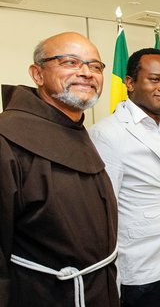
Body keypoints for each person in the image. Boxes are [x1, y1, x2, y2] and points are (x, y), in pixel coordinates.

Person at [0, 32, 119, 306]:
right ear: (37, 74)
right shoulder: (7, 138)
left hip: (96, 288)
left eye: (95, 66)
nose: (87, 73)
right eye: (70, 62)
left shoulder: (74, 127)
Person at [89, 48, 160, 307]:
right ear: (130, 83)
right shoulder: (107, 135)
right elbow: (104, 212)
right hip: (140, 268)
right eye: (155, 79)